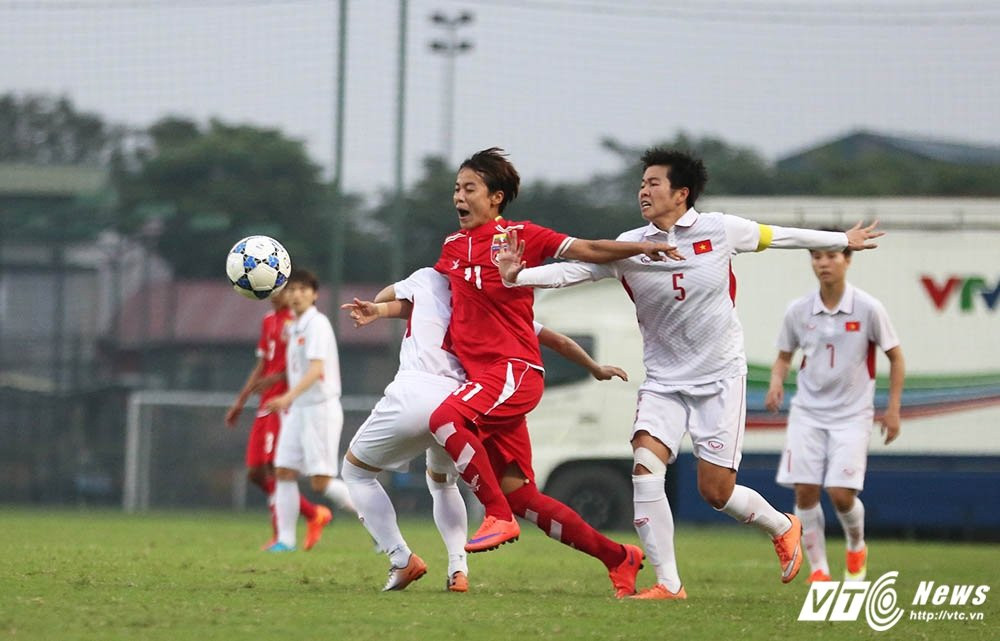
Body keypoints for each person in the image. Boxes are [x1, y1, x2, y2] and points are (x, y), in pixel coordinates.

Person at [497, 147, 884, 599]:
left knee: (717, 493)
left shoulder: (720, 230)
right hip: (663, 381)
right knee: (644, 465)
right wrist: (518, 277)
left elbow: (780, 236)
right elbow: (577, 270)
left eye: (654, 183)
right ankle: (668, 584)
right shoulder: (630, 244)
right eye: (641, 183)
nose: (644, 190)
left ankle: (782, 526)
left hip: (720, 378)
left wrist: (839, 239)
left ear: (681, 193)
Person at [428, 147, 682, 599]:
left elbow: (588, 249)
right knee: (523, 496)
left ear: (496, 197)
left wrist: (641, 247)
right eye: (456, 189)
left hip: (513, 371)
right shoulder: (450, 247)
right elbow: (426, 299)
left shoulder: (519, 236)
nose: (459, 197)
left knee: (446, 420)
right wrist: (380, 307)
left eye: (469, 189)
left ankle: (495, 515)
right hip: (484, 381)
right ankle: (618, 558)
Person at [340, 267, 630, 593]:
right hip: (464, 401)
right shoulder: (491, 303)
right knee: (446, 483)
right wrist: (595, 367)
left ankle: (401, 557)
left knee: (356, 472)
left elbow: (387, 296)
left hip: (418, 394)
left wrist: (382, 308)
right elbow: (556, 340)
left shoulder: (428, 278)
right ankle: (457, 568)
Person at [765, 240, 904, 583]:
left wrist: (893, 410)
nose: (823, 263)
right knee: (805, 491)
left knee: (841, 495)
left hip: (852, 415)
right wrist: (776, 382)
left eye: (831, 256)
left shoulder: (868, 308)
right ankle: (820, 570)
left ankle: (857, 544)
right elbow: (784, 355)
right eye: (816, 256)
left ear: (847, 260)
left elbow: (896, 357)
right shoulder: (798, 310)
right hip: (807, 413)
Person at [224, 287, 330, 549]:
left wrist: (279, 380)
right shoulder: (268, 321)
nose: (276, 295)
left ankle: (281, 537)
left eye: (281, 289)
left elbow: (304, 366)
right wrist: (241, 400)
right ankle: (312, 513)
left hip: (285, 403)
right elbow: (262, 365)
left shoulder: (297, 323)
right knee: (255, 473)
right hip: (264, 402)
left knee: (275, 469)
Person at [262, 268, 355, 552]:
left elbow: (316, 371)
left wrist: (286, 397)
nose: (297, 294)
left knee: (321, 482)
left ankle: (377, 522)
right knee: (284, 471)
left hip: (319, 409)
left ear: (314, 295)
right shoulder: (294, 326)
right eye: (292, 289)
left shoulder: (317, 324)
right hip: (298, 409)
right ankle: (285, 541)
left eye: (304, 289)